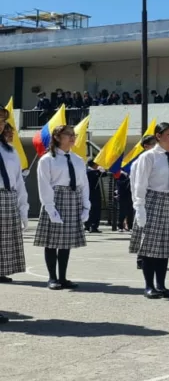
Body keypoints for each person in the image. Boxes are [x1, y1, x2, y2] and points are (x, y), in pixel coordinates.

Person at [129, 122, 169, 299]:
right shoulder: (148, 157)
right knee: (150, 247)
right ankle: (149, 286)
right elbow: (140, 183)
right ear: (158, 136)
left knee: (165, 247)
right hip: (152, 200)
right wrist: (139, 206)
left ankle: (161, 285)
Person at [35, 125, 89, 290]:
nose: (72, 137)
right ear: (57, 137)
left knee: (66, 242)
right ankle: (52, 278)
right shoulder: (47, 159)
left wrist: (86, 206)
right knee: (51, 241)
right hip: (55, 199)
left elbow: (83, 184)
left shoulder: (78, 160)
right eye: (68, 135)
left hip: (73, 199)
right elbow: (44, 185)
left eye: (74, 134)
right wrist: (50, 208)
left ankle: (63, 277)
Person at [0, 121, 28, 286]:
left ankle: (1, 270)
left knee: (5, 239)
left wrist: (23, 209)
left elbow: (18, 181)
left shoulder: (11, 151)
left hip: (8, 196)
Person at [85, 161, 105, 233]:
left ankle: (95, 226)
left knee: (97, 210)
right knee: (91, 210)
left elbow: (104, 175)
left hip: (96, 194)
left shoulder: (96, 172)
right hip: (90, 194)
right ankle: (88, 226)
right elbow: (93, 176)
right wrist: (98, 172)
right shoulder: (88, 172)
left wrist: (102, 171)